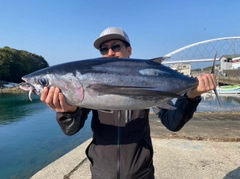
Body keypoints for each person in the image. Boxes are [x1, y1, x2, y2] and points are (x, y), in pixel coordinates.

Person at [40, 27, 217, 179]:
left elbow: (173, 123)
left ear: (129, 50)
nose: (109, 53)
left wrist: (192, 96)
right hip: (101, 174)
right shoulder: (88, 87)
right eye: (103, 49)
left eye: (116, 46)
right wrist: (68, 111)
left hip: (141, 174)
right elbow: (71, 130)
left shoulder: (146, 78)